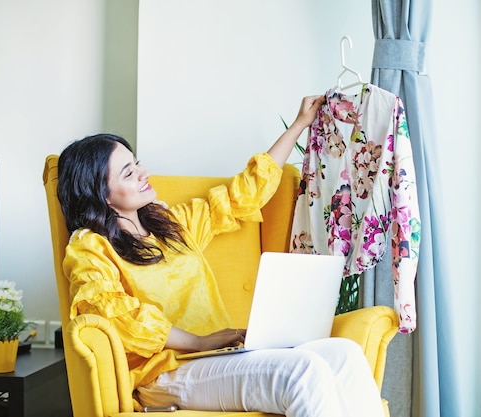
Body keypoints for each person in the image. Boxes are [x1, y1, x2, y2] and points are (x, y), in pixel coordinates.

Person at [57, 95, 385, 417]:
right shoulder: (89, 247)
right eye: (128, 173)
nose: (143, 172)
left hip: (222, 356)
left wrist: (300, 123)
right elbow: (115, 315)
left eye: (136, 162)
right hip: (163, 373)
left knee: (345, 354)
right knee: (303, 371)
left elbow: (241, 196)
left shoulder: (168, 223)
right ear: (100, 195)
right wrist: (200, 342)